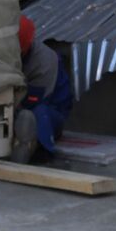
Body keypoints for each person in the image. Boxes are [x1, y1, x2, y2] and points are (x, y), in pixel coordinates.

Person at [9, 14, 74, 163]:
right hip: (18, 106)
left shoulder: (45, 62)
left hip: (50, 112)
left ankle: (38, 149)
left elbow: (32, 101)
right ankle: (19, 139)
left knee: (34, 114)